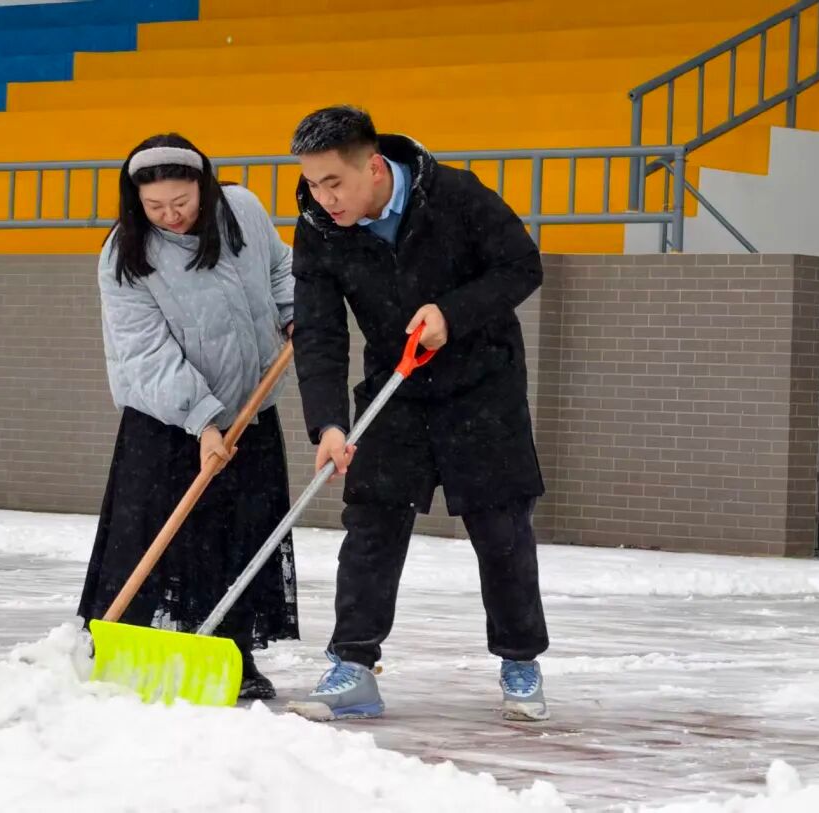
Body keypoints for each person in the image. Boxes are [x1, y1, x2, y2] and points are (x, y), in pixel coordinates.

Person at [284, 106, 550, 722]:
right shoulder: (318, 228)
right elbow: (320, 332)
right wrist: (329, 423)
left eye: (334, 183)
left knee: (502, 531)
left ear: (374, 168)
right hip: (394, 389)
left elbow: (521, 266)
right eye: (313, 184)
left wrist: (451, 314)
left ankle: (520, 660)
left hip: (483, 387)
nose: (323, 199)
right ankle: (353, 667)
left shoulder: (455, 195)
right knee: (372, 526)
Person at [77, 133, 299, 700]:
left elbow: (279, 267)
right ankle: (128, 648)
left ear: (205, 186)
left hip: (249, 412)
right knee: (157, 541)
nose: (170, 215)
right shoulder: (125, 254)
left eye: (181, 201)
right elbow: (145, 352)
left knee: (241, 537)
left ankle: (233, 653)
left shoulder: (242, 211)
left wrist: (295, 312)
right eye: (155, 206)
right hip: (167, 423)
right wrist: (202, 421)